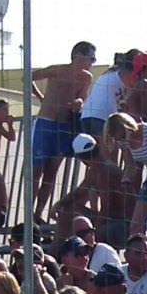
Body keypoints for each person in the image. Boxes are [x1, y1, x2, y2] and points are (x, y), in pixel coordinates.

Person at [30, 41, 97, 220]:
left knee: (51, 173)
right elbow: (29, 77)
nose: (92, 62)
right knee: (36, 170)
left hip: (64, 126)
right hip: (46, 123)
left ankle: (38, 213)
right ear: (78, 56)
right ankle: (29, 213)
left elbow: (83, 97)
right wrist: (41, 97)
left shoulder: (86, 77)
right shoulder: (57, 70)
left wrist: (79, 103)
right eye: (91, 58)